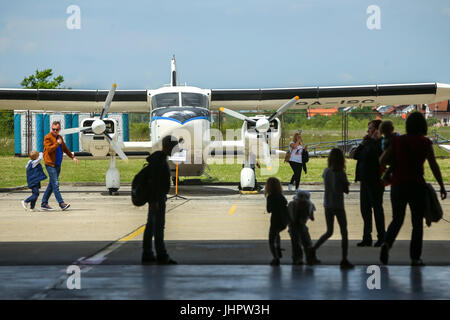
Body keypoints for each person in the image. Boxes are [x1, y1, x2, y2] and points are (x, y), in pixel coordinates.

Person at [379, 112, 447, 266]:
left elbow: (382, 160)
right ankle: (415, 258)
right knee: (417, 223)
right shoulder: (425, 142)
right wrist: (442, 186)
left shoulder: (398, 141)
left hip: (397, 185)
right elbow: (433, 165)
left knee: (397, 219)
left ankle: (386, 244)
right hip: (416, 186)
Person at [311, 148, 354, 269]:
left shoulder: (326, 172)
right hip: (339, 206)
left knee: (329, 231)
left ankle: (313, 249)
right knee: (344, 232)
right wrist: (346, 184)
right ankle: (344, 259)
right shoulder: (341, 173)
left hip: (328, 205)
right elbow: (346, 191)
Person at [142, 135, 180, 265]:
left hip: (157, 199)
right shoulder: (159, 162)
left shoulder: (158, 159)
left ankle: (147, 254)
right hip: (157, 200)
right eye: (174, 147)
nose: (176, 150)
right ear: (167, 147)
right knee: (158, 228)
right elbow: (155, 183)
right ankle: (161, 255)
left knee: (151, 227)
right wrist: (155, 201)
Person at [350, 119, 385, 247]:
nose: (368, 131)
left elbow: (377, 156)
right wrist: (363, 143)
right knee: (365, 210)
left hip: (375, 180)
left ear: (377, 130)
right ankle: (367, 237)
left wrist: (375, 140)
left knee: (377, 209)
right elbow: (355, 155)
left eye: (370, 128)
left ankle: (382, 236)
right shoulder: (367, 143)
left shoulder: (381, 143)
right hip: (364, 180)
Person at [41, 121, 78, 211]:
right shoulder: (48, 137)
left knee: (52, 184)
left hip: (57, 164)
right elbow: (49, 150)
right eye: (53, 129)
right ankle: (61, 203)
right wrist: (57, 143)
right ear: (51, 128)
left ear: (59, 130)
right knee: (56, 183)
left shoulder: (60, 137)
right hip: (50, 164)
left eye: (57, 129)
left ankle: (44, 203)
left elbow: (65, 149)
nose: (55, 131)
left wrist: (73, 157)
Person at [287, 189, 320, 265]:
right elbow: (312, 218)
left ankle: (298, 259)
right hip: (300, 226)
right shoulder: (309, 205)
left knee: (296, 244)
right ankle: (310, 259)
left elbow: (289, 217)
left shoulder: (292, 204)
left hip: (294, 227)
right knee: (307, 243)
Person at [265, 177, 289, 266]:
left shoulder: (270, 197)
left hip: (275, 220)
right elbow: (285, 203)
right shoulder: (281, 196)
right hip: (284, 220)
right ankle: (278, 248)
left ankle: (276, 257)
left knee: (271, 239)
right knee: (277, 234)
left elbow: (268, 210)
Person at [379, 120, 399, 185]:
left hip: (388, 157)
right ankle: (386, 176)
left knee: (390, 167)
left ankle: (386, 176)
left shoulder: (385, 138)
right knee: (392, 166)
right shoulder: (392, 137)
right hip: (391, 157)